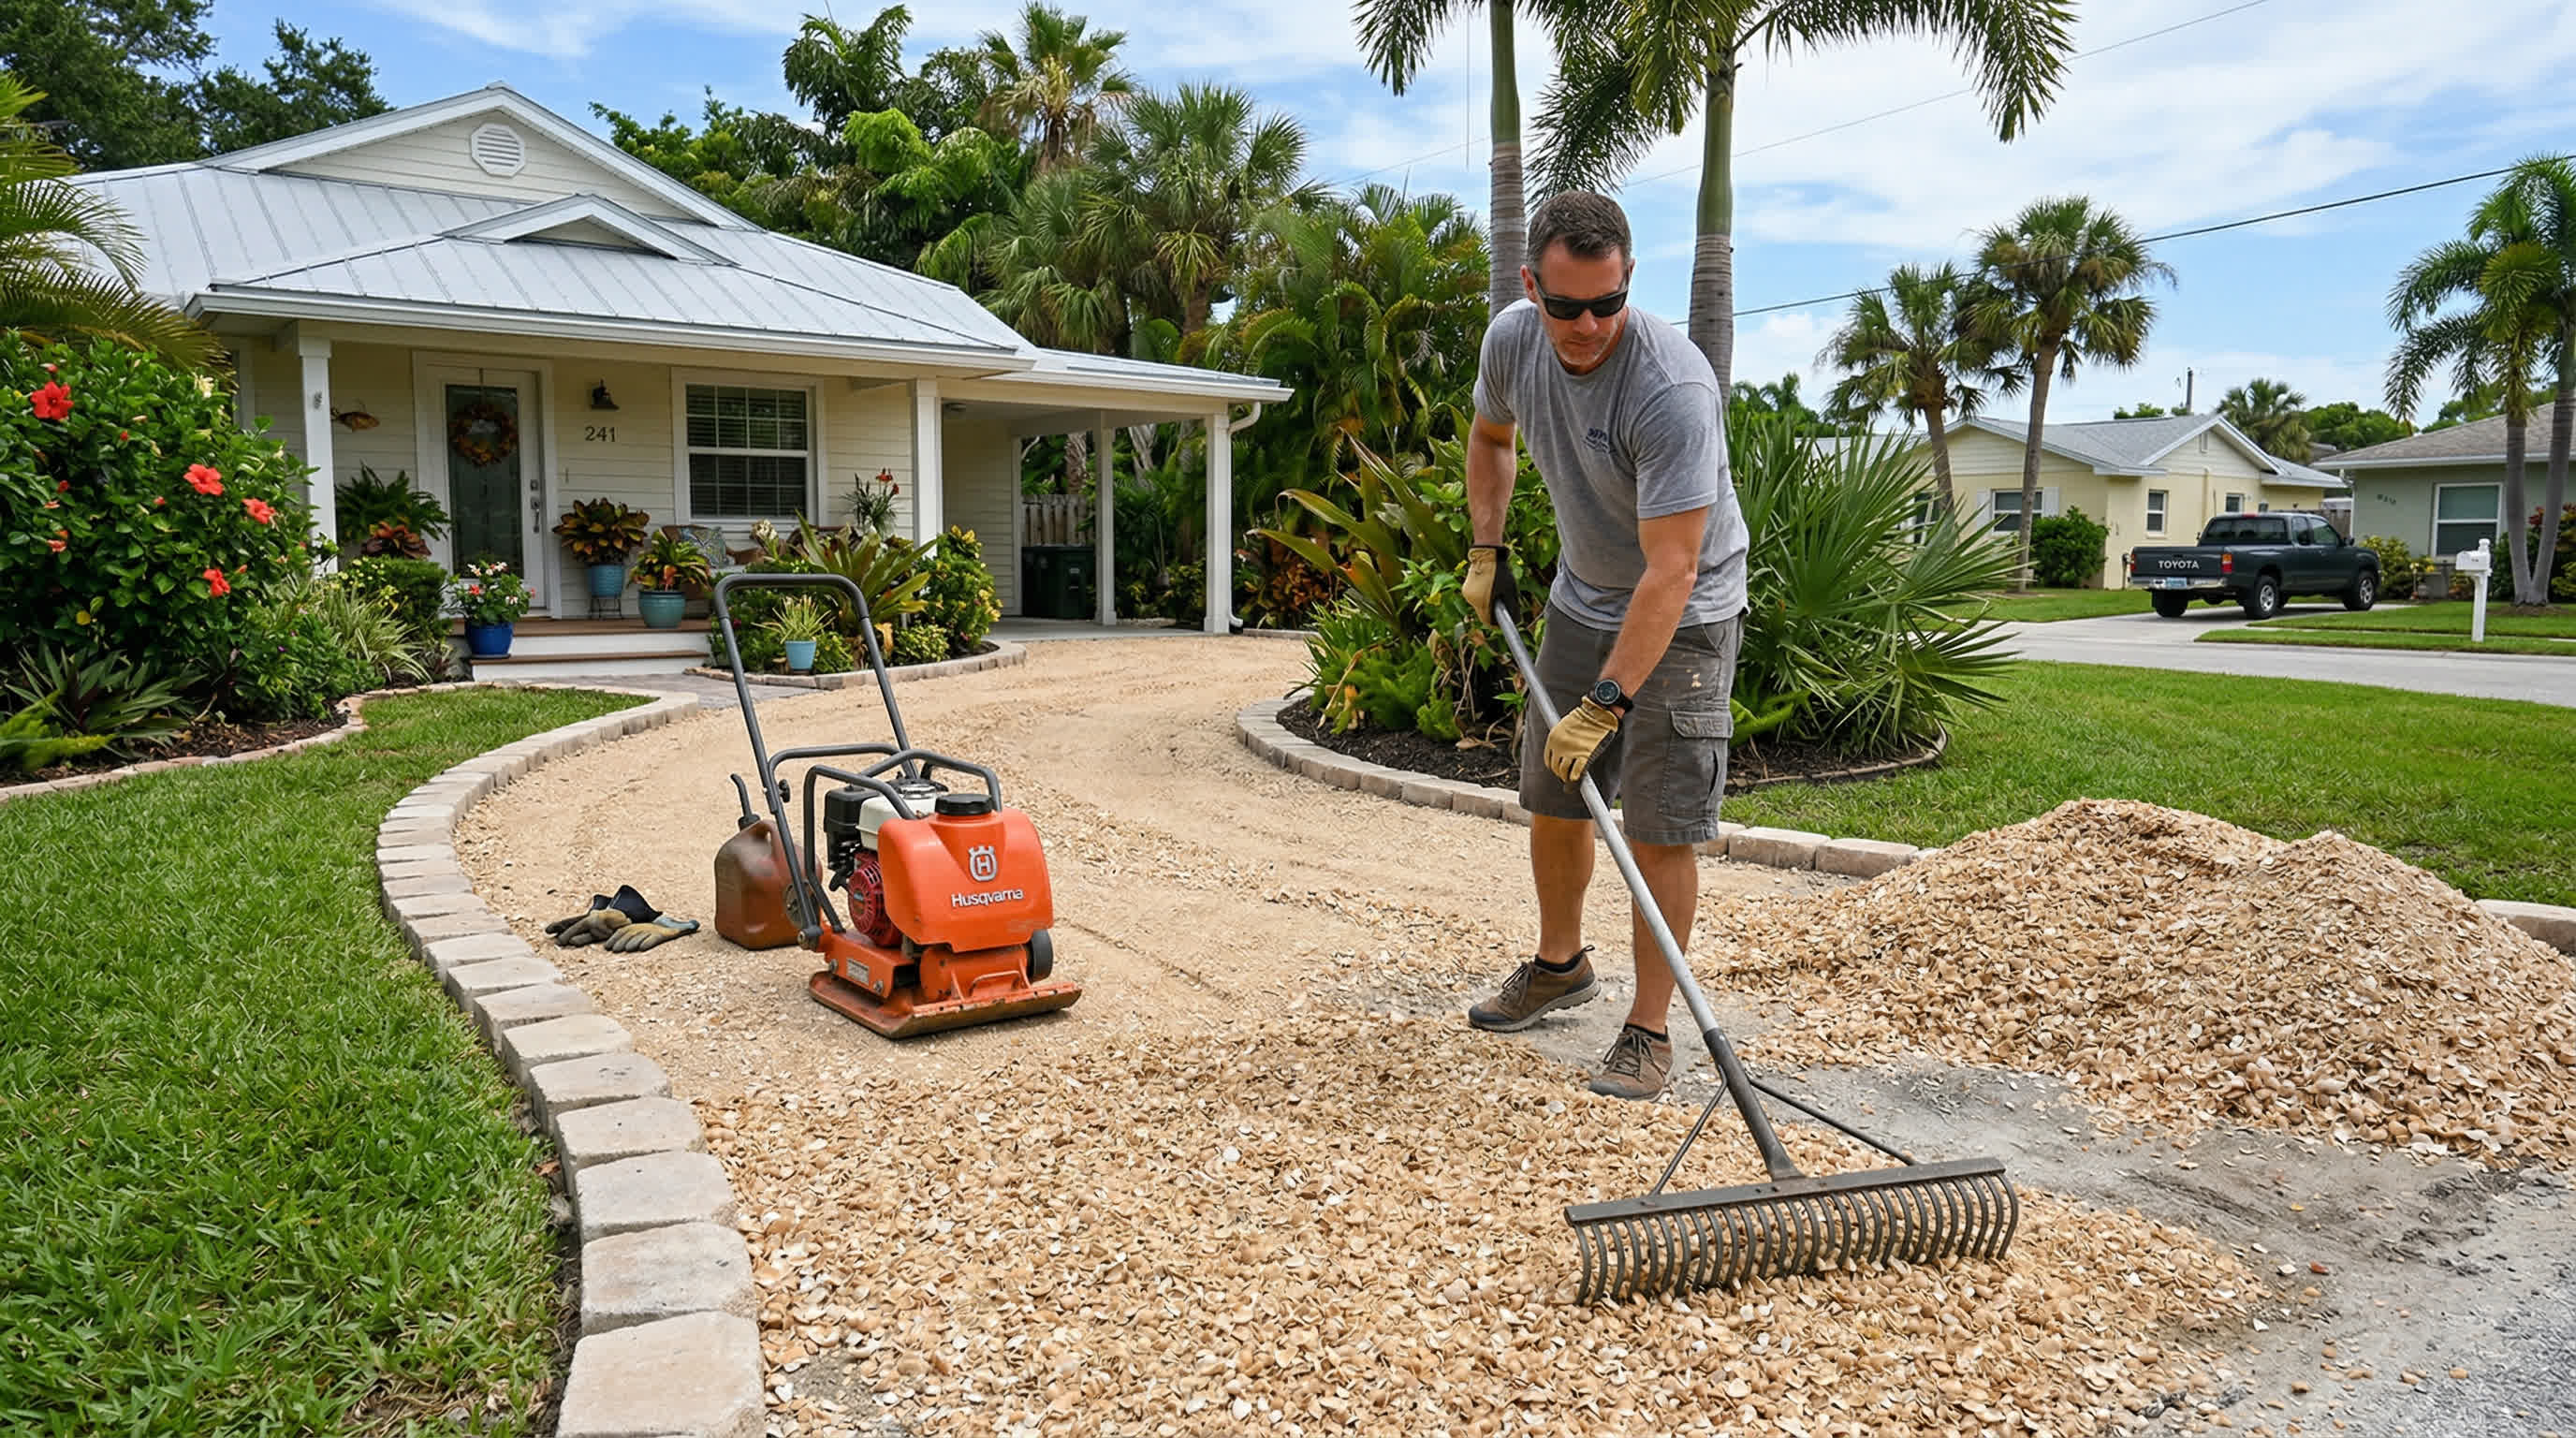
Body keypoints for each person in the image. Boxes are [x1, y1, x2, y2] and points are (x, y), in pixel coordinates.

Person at [1459, 190, 1749, 1100]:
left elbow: (1671, 571)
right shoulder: (1511, 340)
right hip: (1585, 596)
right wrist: (1485, 546)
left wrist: (1609, 701)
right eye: (1565, 305)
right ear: (1529, 286)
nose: (1586, 326)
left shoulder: (1671, 388)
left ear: (1629, 282)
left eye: (1607, 304)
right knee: (1554, 793)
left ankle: (1647, 1027)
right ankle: (1560, 966)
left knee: (1661, 824)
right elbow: (1489, 436)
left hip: (1688, 608)